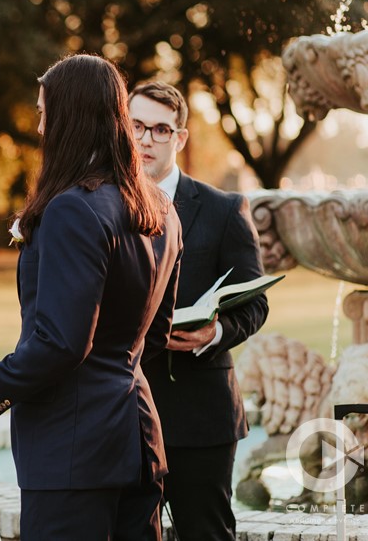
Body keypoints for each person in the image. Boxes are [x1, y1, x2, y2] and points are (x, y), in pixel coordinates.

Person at [0, 54, 182, 541]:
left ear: (70, 117)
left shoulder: (73, 208)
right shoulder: (160, 208)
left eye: (45, 113)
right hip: (137, 438)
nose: (42, 127)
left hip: (73, 452)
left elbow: (62, 344)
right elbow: (156, 334)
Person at [130, 81, 268, 541]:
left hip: (201, 414)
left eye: (161, 129)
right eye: (136, 127)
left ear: (180, 138)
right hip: (122, 411)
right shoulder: (102, 205)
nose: (146, 139)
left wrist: (213, 333)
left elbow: (255, 303)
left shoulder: (224, 209)